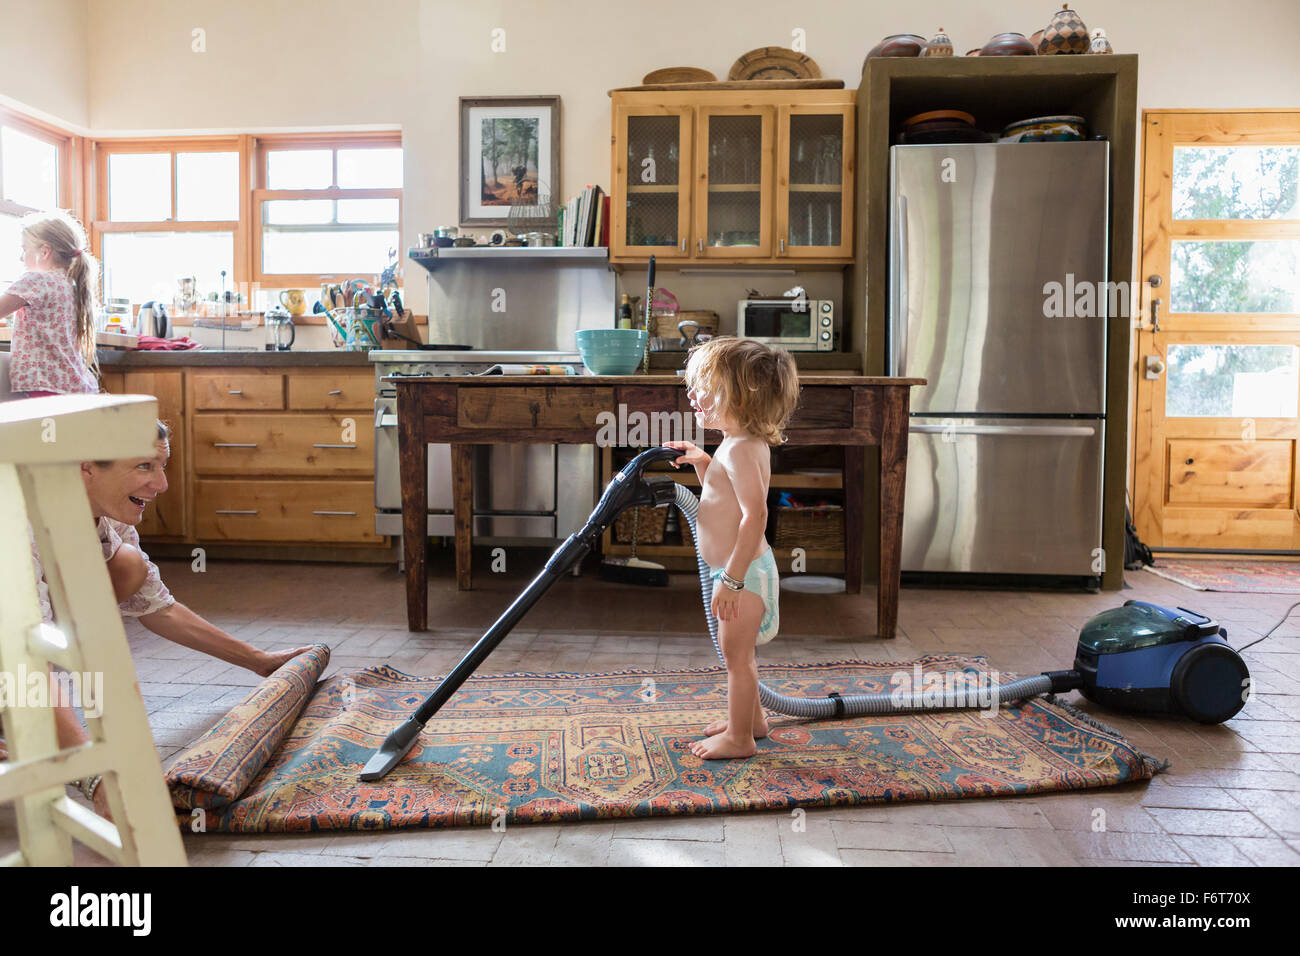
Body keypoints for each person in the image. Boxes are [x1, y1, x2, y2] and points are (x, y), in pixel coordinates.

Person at [13, 420, 316, 819]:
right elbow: (26, 652)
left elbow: (158, 607)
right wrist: (96, 780)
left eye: (162, 466)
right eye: (144, 467)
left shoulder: (106, 509)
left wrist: (258, 660)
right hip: (14, 645)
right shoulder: (19, 523)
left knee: (128, 565)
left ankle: (25, 715)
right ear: (87, 466)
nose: (162, 485)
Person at [665, 337, 801, 759]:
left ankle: (740, 739)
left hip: (742, 575)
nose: (692, 395)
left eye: (703, 386)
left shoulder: (742, 449)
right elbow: (722, 499)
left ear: (740, 396)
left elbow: (754, 516)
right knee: (738, 656)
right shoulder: (733, 443)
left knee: (736, 660)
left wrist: (732, 579)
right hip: (737, 572)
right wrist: (704, 463)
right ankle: (753, 720)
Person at [0, 211, 101, 398]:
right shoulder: (70, 284)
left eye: (24, 249)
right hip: (72, 385)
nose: (21, 258)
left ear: (45, 251)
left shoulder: (37, 279)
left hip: (46, 385)